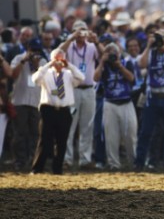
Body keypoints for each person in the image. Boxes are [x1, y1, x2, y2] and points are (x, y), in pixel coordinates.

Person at [134, 29, 164, 171]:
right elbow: (141, 65)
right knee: (145, 132)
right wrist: (149, 46)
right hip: (153, 98)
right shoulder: (150, 51)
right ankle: (139, 162)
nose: (159, 42)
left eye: (162, 39)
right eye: (157, 39)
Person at [30, 49, 85, 175]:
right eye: (56, 59)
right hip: (48, 109)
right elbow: (35, 79)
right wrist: (49, 64)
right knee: (45, 140)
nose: (58, 63)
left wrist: (69, 65)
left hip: (64, 110)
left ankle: (57, 169)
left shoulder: (68, 74)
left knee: (62, 141)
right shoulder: (46, 73)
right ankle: (37, 168)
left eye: (61, 60)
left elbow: (81, 77)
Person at [59, 20, 103, 169]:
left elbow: (103, 56)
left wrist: (97, 42)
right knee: (69, 125)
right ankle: (67, 159)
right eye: (78, 31)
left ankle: (85, 159)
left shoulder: (91, 46)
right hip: (72, 89)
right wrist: (71, 38)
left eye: (83, 30)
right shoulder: (70, 46)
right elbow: (58, 54)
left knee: (87, 126)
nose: (81, 34)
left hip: (89, 89)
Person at [94, 43, 137, 170]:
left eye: (114, 53)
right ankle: (114, 164)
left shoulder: (126, 62)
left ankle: (134, 161)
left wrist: (120, 66)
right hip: (110, 103)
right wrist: (102, 62)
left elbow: (132, 79)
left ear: (119, 53)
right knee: (111, 137)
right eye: (109, 53)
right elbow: (95, 78)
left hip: (126, 102)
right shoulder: (104, 66)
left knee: (131, 135)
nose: (112, 55)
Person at [10, 38, 46, 171]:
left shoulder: (43, 61)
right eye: (33, 50)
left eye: (37, 51)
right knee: (20, 133)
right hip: (20, 100)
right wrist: (24, 60)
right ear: (28, 49)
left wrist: (37, 66)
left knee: (36, 133)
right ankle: (19, 161)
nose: (35, 53)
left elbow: (44, 80)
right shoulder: (19, 58)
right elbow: (13, 74)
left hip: (36, 102)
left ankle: (33, 160)